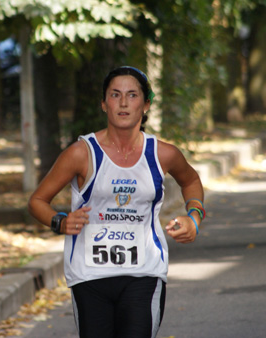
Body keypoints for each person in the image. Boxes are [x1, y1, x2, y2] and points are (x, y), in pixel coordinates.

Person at [28, 66, 205, 338]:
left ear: (146, 105)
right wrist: (60, 222)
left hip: (144, 272)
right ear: (103, 103)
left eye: (132, 95)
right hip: (89, 276)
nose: (123, 103)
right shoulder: (81, 154)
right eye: (115, 95)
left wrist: (193, 217)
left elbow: (191, 181)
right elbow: (38, 201)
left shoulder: (162, 154)